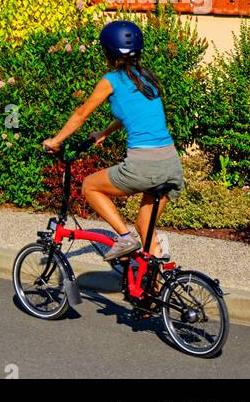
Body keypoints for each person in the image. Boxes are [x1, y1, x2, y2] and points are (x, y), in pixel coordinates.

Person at [43, 19, 184, 261]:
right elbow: (134, 115)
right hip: (171, 165)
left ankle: (124, 237)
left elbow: (81, 114)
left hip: (143, 166)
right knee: (145, 225)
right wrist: (104, 133)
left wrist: (56, 141)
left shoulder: (111, 80)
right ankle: (158, 288)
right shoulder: (146, 79)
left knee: (89, 185)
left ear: (108, 52)